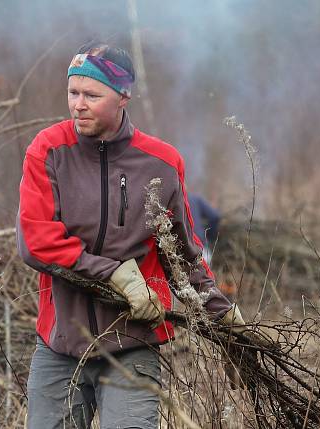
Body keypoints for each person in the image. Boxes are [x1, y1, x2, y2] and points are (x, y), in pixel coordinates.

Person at [16, 41, 246, 429]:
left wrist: (225, 318)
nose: (78, 105)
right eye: (73, 92)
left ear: (123, 96)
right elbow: (35, 241)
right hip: (59, 346)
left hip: (132, 345)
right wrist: (112, 272)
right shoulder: (49, 149)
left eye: (92, 94)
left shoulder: (161, 162)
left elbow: (183, 258)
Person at [187, 192, 221, 264]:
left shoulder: (170, 202)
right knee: (205, 272)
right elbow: (215, 216)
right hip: (199, 245)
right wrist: (209, 235)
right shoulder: (195, 199)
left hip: (178, 250)